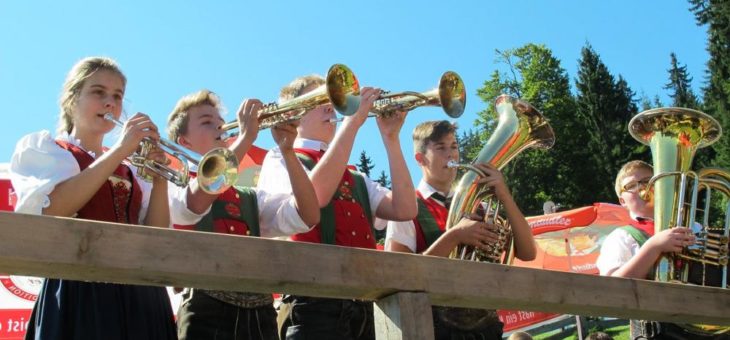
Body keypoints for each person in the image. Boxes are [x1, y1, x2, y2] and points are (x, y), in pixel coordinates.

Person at [10, 56, 176, 339]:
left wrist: (159, 178)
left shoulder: (130, 168)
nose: (110, 102)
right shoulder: (48, 149)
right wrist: (120, 150)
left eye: (117, 96)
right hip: (79, 289)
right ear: (72, 98)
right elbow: (51, 211)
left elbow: (157, 236)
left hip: (141, 294)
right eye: (98, 92)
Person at [257, 74, 417, 340]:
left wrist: (391, 139)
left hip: (365, 305)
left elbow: (405, 209)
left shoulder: (354, 175)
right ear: (293, 114)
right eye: (321, 100)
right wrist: (352, 125)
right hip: (313, 301)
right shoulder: (279, 158)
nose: (332, 106)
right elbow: (314, 199)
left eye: (333, 99)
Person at [166, 89, 320, 340]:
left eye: (220, 123)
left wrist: (288, 151)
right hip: (203, 311)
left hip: (259, 313)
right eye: (207, 122)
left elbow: (308, 215)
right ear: (184, 142)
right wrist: (247, 137)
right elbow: (198, 198)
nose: (220, 128)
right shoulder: (174, 186)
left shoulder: (249, 197)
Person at [385, 120, 536, 339]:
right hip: (434, 326)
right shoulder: (407, 207)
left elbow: (528, 252)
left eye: (454, 146)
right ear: (421, 159)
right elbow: (399, 273)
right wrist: (455, 235)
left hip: (486, 324)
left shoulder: (480, 205)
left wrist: (504, 194)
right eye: (441, 148)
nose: (451, 155)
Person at [596, 160, 701, 340]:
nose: (643, 188)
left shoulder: (695, 227)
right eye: (631, 186)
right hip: (656, 333)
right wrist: (654, 246)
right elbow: (612, 288)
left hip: (706, 324)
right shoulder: (620, 237)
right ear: (622, 200)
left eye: (648, 181)